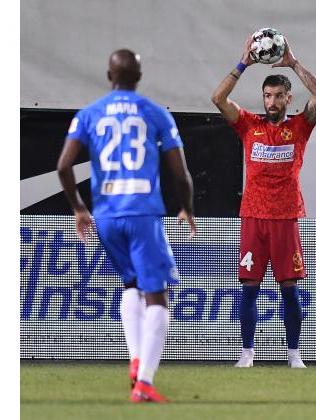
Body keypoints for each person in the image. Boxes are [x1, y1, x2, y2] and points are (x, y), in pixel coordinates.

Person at [57, 49, 196, 403]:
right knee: (158, 297)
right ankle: (145, 382)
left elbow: (63, 166)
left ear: (109, 75)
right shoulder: (155, 113)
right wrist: (187, 207)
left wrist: (78, 208)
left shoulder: (89, 114)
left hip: (105, 216)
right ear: (140, 76)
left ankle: (136, 359)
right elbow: (180, 173)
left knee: (131, 283)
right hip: (142, 212)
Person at [211, 35, 316, 368]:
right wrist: (243, 63)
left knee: (289, 289)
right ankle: (247, 354)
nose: (271, 101)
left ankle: (294, 354)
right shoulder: (249, 125)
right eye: (267, 95)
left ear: (288, 98)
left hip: (285, 217)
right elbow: (218, 97)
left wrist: (293, 62)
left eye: (278, 96)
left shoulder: (301, 127)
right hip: (253, 217)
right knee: (249, 288)